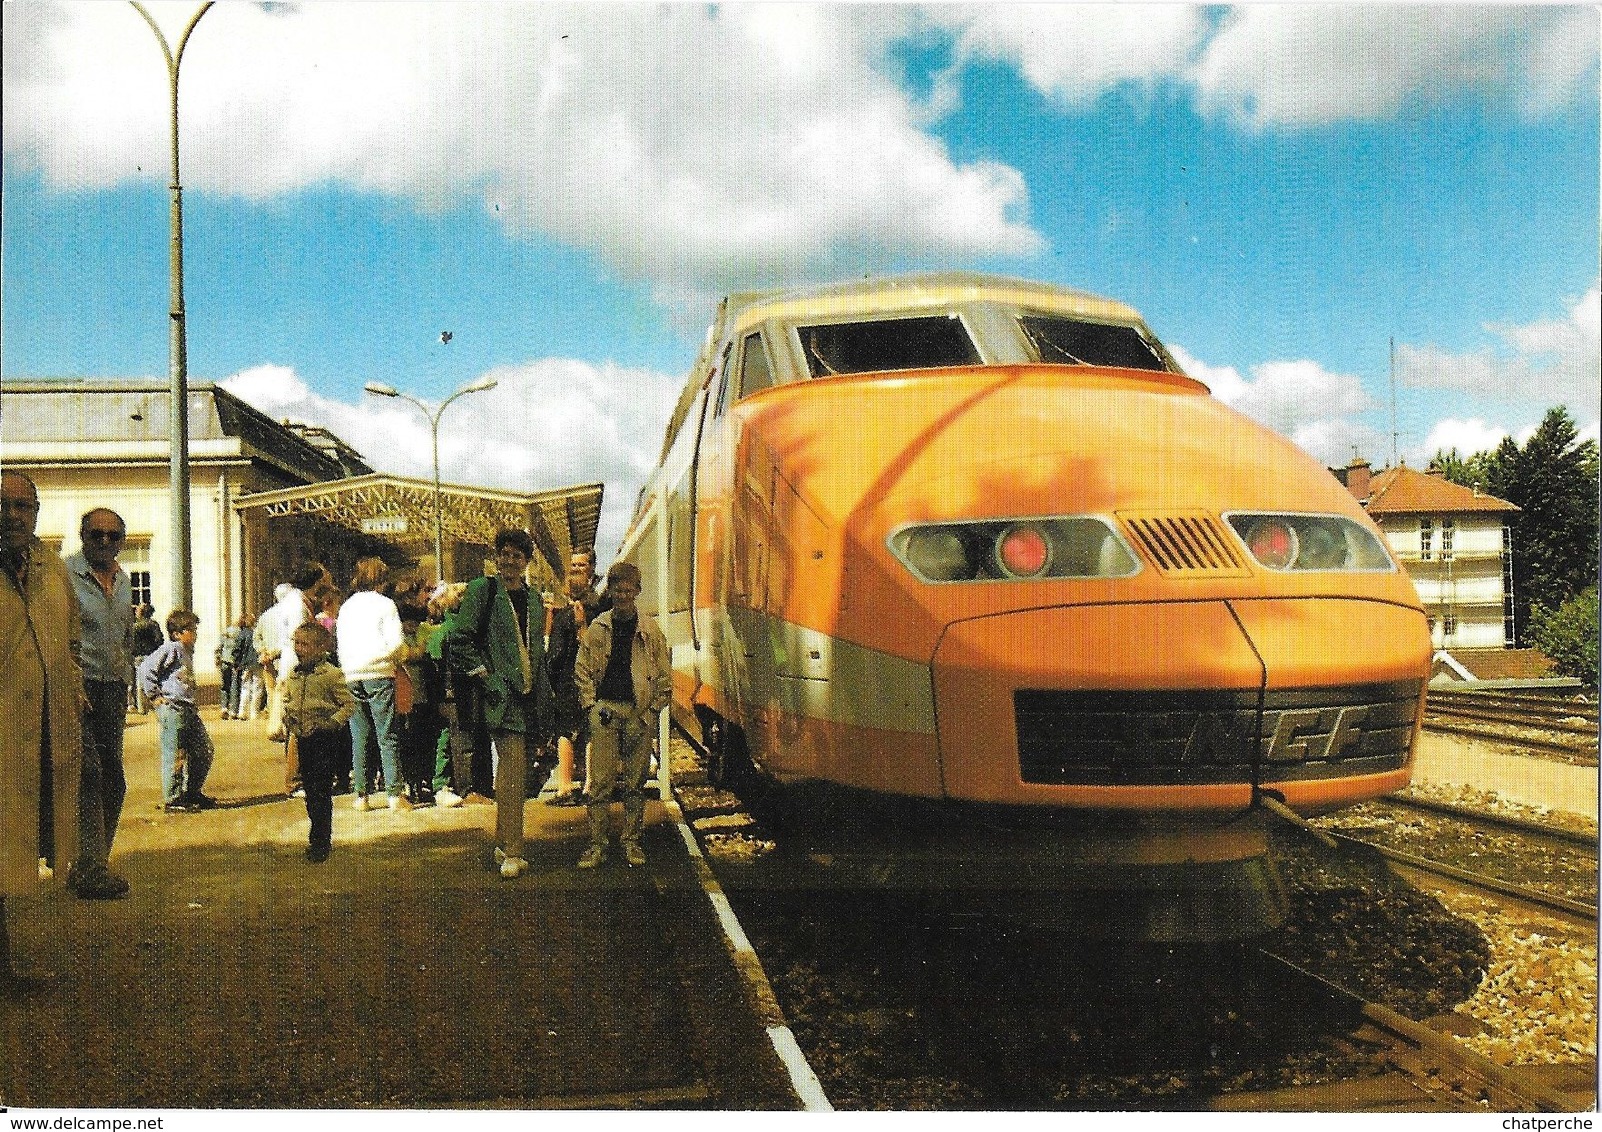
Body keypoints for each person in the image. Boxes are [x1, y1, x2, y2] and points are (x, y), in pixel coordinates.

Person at [1, 470, 84, 992]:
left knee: (11, 856)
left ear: (36, 512)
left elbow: (69, 645)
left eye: (21, 507)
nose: (11, 516)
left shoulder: (51, 568)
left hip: (38, 736)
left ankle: (6, 969)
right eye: (1, 505)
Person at [448, 528, 555, 879]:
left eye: (517, 554)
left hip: (527, 698)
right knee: (512, 773)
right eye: (504, 553)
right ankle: (514, 851)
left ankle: (501, 842)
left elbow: (535, 651)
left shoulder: (535, 599)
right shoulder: (483, 590)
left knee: (514, 774)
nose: (509, 560)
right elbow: (459, 639)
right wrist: (487, 676)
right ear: (496, 557)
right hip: (499, 698)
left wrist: (542, 696)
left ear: (526, 560)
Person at [574, 561, 670, 870]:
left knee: (634, 782)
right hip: (605, 711)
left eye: (629, 591)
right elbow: (583, 671)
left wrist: (653, 710)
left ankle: (631, 841)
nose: (623, 596)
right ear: (611, 591)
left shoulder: (651, 630)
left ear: (638, 592)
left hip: (639, 714)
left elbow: (664, 676)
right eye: (618, 590)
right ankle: (597, 844)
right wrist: (591, 706)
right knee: (600, 783)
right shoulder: (598, 628)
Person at [63, 507, 134, 900]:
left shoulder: (123, 580)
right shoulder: (63, 576)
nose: (105, 542)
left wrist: (126, 680)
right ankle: (89, 869)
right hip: (77, 687)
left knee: (114, 778)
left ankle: (92, 862)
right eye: (96, 535)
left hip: (112, 689)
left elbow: (124, 635)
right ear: (82, 536)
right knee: (87, 774)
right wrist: (66, 681)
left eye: (113, 536)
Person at [280, 621, 357, 863]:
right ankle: (316, 834)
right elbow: (288, 700)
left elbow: (348, 705)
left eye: (305, 644)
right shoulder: (294, 674)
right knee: (310, 791)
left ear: (321, 647)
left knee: (321, 791)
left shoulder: (331, 675)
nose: (299, 648)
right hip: (303, 738)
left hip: (324, 739)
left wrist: (332, 723)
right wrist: (288, 718)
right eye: (297, 643)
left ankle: (321, 841)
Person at [336, 556, 408, 812]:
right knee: (387, 734)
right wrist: (396, 658)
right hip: (379, 672)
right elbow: (397, 643)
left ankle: (361, 796)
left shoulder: (346, 607)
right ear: (381, 579)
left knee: (360, 735)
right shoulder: (386, 605)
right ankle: (395, 794)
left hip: (351, 674)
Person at [137, 610, 216, 813]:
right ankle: (173, 798)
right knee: (176, 754)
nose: (195, 633)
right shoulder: (171, 649)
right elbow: (146, 669)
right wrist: (154, 696)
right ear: (177, 634)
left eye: (195, 629)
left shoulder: (188, 652)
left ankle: (192, 791)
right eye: (191, 630)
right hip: (173, 708)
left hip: (188, 708)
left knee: (203, 750)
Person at [543, 549, 602, 805]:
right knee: (589, 730)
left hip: (568, 680)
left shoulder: (565, 617)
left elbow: (555, 655)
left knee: (564, 731)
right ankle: (590, 784)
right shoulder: (600, 609)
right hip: (592, 678)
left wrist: (549, 676)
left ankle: (565, 786)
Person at [128, 603, 163, 714]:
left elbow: (129, 642)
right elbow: (159, 640)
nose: (136, 611)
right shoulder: (154, 625)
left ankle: (141, 707)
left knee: (138, 683)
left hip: (137, 656)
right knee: (154, 680)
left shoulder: (134, 626)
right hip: (152, 656)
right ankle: (155, 704)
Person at [230, 614, 263, 720]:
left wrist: (236, 663)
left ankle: (242, 712)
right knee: (257, 688)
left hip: (245, 664)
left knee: (245, 688)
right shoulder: (256, 633)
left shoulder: (242, 634)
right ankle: (254, 713)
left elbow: (237, 650)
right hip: (257, 663)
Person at [215, 616, 240, 720]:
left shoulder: (225, 633)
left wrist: (217, 659)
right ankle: (233, 710)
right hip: (234, 663)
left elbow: (218, 648)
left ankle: (224, 707)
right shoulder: (239, 633)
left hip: (224, 661)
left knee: (225, 686)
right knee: (234, 686)